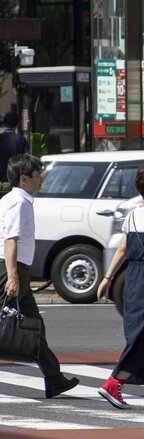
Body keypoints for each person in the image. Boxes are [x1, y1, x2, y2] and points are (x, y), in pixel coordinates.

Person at [96, 163, 144, 409]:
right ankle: (114, 381)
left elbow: (122, 249)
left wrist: (107, 278)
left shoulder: (132, 214)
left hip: (133, 278)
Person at [0, 154, 78, 397]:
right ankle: (54, 377)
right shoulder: (18, 203)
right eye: (37, 174)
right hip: (10, 269)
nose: (41, 178)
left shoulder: (16, 200)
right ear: (24, 179)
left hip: (16, 269)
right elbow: (10, 240)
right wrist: (12, 277)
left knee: (35, 324)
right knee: (7, 323)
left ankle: (54, 378)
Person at [0, 112, 29, 185]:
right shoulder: (21, 140)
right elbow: (27, 160)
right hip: (16, 179)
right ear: (17, 123)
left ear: (5, 123)